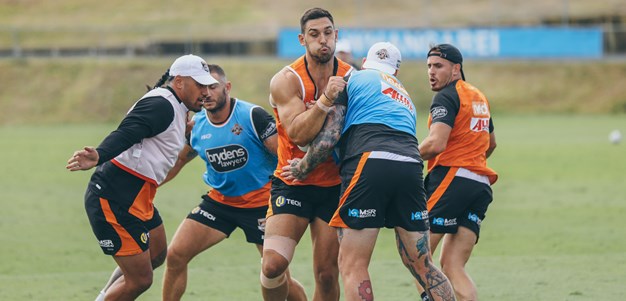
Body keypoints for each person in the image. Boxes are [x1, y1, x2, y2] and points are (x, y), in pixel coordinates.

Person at [281, 42, 456, 301]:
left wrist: (303, 166)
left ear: (364, 62)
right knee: (423, 265)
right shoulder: (403, 93)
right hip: (410, 166)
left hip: (369, 162)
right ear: (395, 70)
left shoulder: (351, 78)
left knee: (353, 265)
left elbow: (330, 136)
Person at [66, 54, 216, 301]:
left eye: (207, 85)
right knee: (140, 280)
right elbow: (127, 133)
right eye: (199, 85)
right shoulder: (162, 105)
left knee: (157, 253)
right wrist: (99, 155)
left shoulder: (175, 106)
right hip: (115, 197)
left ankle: (104, 296)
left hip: (138, 195)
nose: (205, 91)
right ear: (179, 82)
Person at [160, 64, 307, 301]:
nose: (206, 92)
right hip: (220, 204)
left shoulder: (252, 116)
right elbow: (178, 161)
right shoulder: (196, 126)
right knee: (175, 255)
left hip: (261, 205)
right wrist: (147, 186)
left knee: (278, 278)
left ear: (227, 87)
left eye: (212, 86)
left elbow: (284, 156)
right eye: (201, 87)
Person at [261, 7, 353, 301]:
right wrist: (326, 99)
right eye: (314, 34)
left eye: (328, 33)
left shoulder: (354, 77)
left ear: (336, 36)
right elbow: (298, 133)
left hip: (334, 187)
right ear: (302, 39)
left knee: (327, 275)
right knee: (273, 265)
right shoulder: (286, 80)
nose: (322, 40)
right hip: (292, 182)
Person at [417, 43, 498, 301]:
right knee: (452, 265)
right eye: (429, 66)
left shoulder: (446, 96)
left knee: (419, 259)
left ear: (456, 69)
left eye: (438, 66)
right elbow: (491, 143)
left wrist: (405, 157)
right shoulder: (479, 97)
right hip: (480, 184)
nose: (431, 72)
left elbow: (436, 144)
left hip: (452, 179)